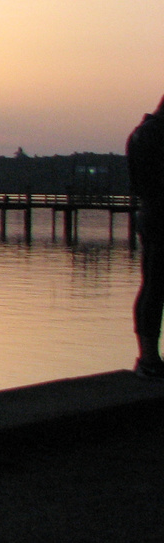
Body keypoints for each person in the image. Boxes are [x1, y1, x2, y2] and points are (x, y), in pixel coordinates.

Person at [127, 95, 164, 378]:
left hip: (150, 213)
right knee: (154, 287)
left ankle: (149, 357)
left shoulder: (140, 134)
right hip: (160, 217)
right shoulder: (155, 134)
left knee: (152, 285)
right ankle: (149, 359)